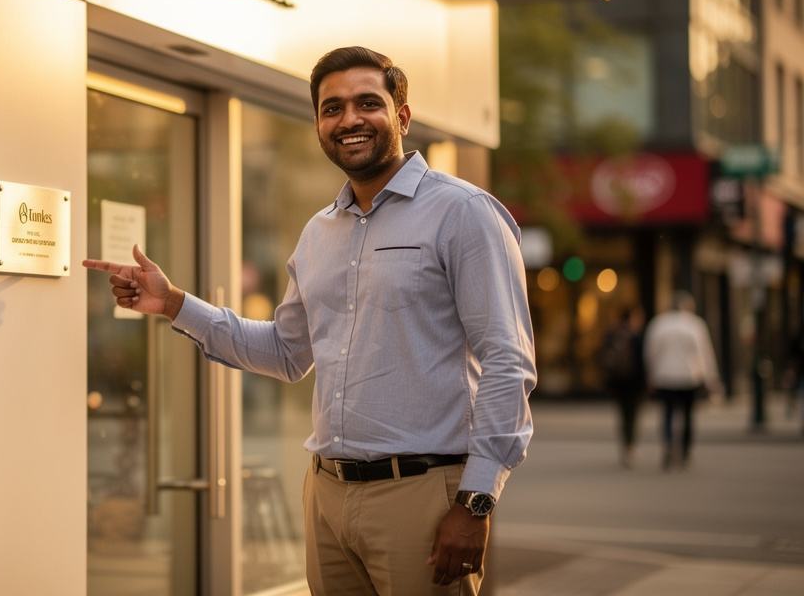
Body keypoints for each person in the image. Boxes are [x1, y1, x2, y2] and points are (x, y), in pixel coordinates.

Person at [85, 47, 537, 596]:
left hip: (421, 494)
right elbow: (285, 352)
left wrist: (477, 500)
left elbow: (507, 360)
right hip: (326, 494)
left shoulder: (463, 213)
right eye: (332, 108)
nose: (349, 119)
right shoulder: (319, 232)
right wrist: (176, 303)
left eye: (367, 103)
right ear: (319, 124)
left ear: (402, 116)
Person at [643, 290, 722, 471]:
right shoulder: (695, 325)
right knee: (687, 416)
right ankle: (685, 452)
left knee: (668, 414)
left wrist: (651, 376)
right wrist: (711, 378)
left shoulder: (659, 324)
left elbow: (650, 353)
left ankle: (669, 443)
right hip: (688, 377)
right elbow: (705, 353)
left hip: (665, 377)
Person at [598, 305, 647, 467]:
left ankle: (626, 447)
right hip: (633, 383)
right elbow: (643, 362)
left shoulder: (613, 334)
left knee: (624, 415)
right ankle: (630, 447)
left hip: (618, 383)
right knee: (632, 415)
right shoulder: (637, 337)